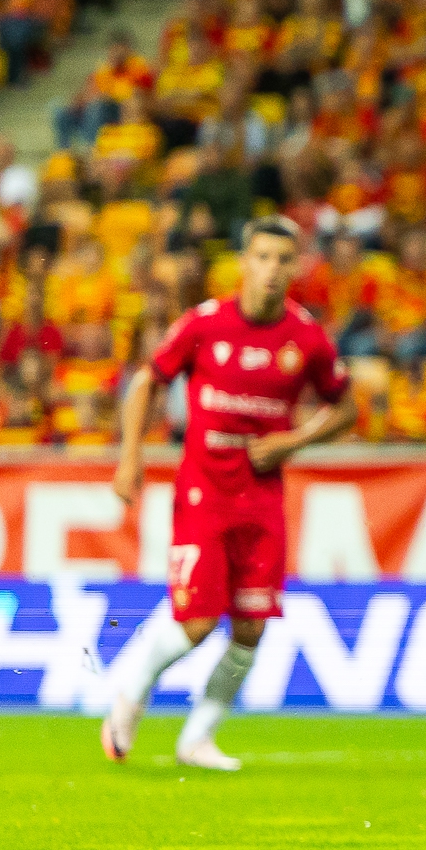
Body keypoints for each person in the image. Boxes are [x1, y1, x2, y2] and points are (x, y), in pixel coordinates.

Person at [101, 218, 356, 770]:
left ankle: (198, 738)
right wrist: (130, 456)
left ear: (295, 267)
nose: (271, 270)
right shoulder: (205, 323)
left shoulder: (306, 337)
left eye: (283, 259)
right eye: (262, 257)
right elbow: (148, 381)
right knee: (196, 623)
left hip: (261, 499)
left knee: (251, 627)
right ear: (244, 261)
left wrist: (292, 441)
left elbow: (346, 407)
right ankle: (132, 691)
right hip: (204, 492)